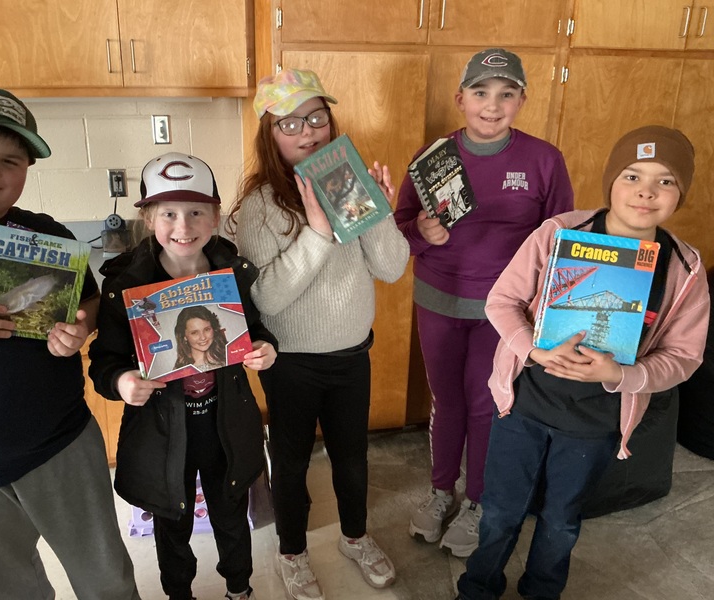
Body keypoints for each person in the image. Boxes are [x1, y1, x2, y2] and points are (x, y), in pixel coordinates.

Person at [456, 125, 710, 600]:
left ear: (681, 194)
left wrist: (622, 374)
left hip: (595, 423)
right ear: (611, 180)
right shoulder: (559, 233)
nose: (646, 192)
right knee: (500, 512)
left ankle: (542, 591)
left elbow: (684, 357)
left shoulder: (684, 268)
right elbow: (501, 301)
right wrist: (533, 349)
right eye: (632, 176)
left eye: (665, 181)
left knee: (562, 521)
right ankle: (477, 589)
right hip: (524, 405)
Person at [0, 87, 140, 599]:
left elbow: (90, 302)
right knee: (8, 590)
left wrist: (81, 326)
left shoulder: (45, 235)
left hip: (60, 446)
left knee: (107, 579)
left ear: (25, 172)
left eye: (9, 161)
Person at [228, 68, 410, 600]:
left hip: (352, 356)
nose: (307, 132)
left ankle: (355, 537)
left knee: (353, 458)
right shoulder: (261, 205)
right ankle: (292, 552)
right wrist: (318, 232)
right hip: (291, 363)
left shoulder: (345, 182)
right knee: (290, 463)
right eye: (289, 123)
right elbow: (266, 299)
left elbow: (392, 267)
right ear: (270, 135)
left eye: (316, 118)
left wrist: (378, 213)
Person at [394, 48, 574, 556]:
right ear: (461, 99)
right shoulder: (432, 158)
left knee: (483, 403)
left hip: (503, 310)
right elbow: (399, 228)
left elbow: (561, 239)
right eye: (480, 92)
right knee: (445, 401)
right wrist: (421, 231)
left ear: (521, 100)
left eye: (506, 93)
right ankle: (440, 492)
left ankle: (477, 501)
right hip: (438, 300)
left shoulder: (544, 160)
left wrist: (546, 308)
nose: (492, 105)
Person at [88, 152, 278, 600]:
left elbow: (255, 330)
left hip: (225, 425)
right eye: (169, 214)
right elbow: (103, 362)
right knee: (171, 523)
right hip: (162, 432)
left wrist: (265, 348)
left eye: (196, 212)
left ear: (215, 216)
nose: (183, 226)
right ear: (149, 219)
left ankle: (239, 588)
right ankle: (179, 593)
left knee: (231, 513)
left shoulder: (231, 272)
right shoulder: (127, 285)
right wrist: (122, 382)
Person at [174, 305, 227, 370]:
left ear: (213, 329)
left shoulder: (228, 356)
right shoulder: (181, 371)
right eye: (194, 333)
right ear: (184, 336)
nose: (203, 337)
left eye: (207, 329)